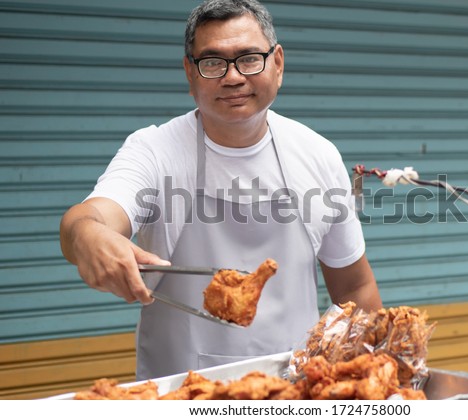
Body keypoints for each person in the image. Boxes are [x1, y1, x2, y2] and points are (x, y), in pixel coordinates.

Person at [59, 0, 381, 380]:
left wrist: (361, 376)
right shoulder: (155, 151)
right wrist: (89, 236)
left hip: (295, 393)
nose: (233, 77)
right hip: (182, 396)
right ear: (189, 72)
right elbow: (87, 218)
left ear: (277, 63)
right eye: (213, 63)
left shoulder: (317, 154)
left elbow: (356, 288)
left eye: (249, 59)